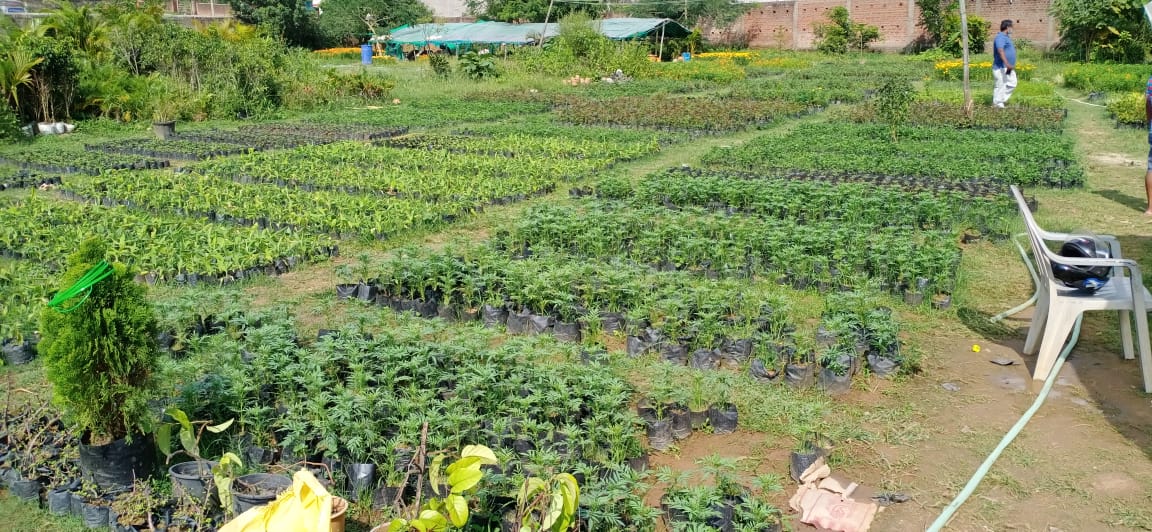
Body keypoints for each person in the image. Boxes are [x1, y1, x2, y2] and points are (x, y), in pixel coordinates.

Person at [992, 20, 1017, 108]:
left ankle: (999, 100)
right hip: (1001, 67)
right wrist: (1007, 63)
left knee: (1012, 83)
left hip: (1007, 68)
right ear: (1007, 27)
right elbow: (1000, 50)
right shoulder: (1000, 37)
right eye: (1012, 27)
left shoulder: (1006, 37)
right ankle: (998, 103)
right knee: (1001, 84)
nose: (1012, 29)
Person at [1144, 73, 1152, 215]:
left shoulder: (1151, 81)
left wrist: (1149, 121)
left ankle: (1150, 208)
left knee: (1151, 168)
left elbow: (1148, 104)